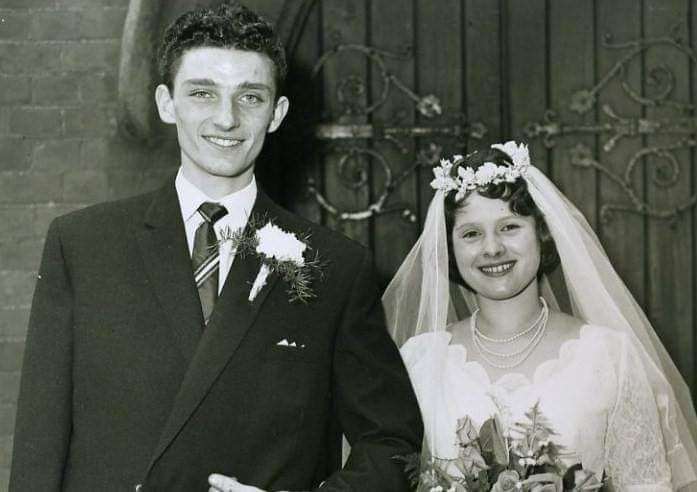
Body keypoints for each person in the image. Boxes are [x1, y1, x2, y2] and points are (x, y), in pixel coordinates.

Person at [9, 2, 422, 491]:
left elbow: (393, 445)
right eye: (202, 93)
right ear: (167, 103)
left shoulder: (333, 265)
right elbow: (39, 449)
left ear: (277, 113)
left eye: (250, 97)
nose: (226, 119)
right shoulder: (81, 246)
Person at [383, 141, 697, 491]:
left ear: (542, 233)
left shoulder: (609, 356)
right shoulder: (420, 361)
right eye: (471, 234)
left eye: (510, 227)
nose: (492, 248)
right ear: (450, 249)